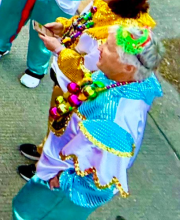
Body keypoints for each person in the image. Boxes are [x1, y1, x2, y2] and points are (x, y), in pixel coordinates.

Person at [15, 0, 155, 180]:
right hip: (64, 79)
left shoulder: (121, 35)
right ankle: (44, 150)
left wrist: (59, 50)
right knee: (55, 121)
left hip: (82, 94)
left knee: (65, 132)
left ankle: (47, 171)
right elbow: (84, 21)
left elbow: (90, 72)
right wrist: (64, 26)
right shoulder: (105, 2)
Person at [11, 25, 163, 220]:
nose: (99, 47)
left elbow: (101, 180)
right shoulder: (122, 78)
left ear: (128, 67)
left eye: (108, 47)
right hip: (60, 160)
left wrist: (62, 181)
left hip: (65, 185)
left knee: (30, 214)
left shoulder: (114, 121)